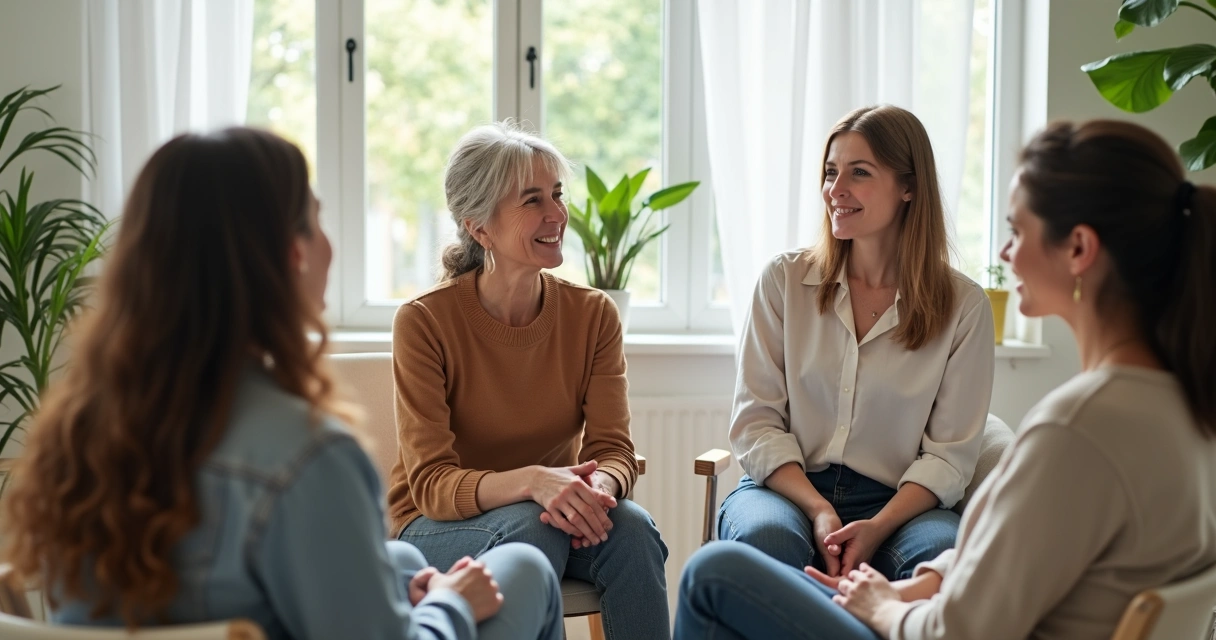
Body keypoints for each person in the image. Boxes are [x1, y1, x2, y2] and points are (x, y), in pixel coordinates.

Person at [0, 128, 563, 640]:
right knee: (523, 568)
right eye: (316, 220)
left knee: (403, 565)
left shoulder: (81, 427)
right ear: (293, 254)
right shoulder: (311, 454)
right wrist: (449, 605)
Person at [675, 119, 1216, 640]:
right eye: (831, 171)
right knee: (761, 549)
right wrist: (925, 584)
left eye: (1016, 230)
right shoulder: (1182, 406)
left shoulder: (1074, 429)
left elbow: (958, 628)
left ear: (1077, 249)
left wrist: (883, 605)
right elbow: (1018, 552)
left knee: (714, 573)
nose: (1005, 254)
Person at [389, 122, 670, 640]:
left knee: (632, 531)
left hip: (552, 512)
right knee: (526, 533)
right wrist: (534, 481)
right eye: (533, 200)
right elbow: (430, 485)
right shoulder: (425, 321)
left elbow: (614, 450)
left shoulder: (593, 315)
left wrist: (600, 491)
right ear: (479, 228)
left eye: (558, 195)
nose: (556, 214)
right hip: (438, 527)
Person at [719, 105, 994, 584]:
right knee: (767, 539)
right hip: (787, 490)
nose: (835, 189)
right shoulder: (784, 281)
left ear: (909, 188)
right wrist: (819, 508)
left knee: (941, 553)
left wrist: (879, 525)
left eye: (859, 173)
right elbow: (756, 423)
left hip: (900, 505)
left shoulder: (963, 306)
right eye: (830, 172)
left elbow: (949, 457)